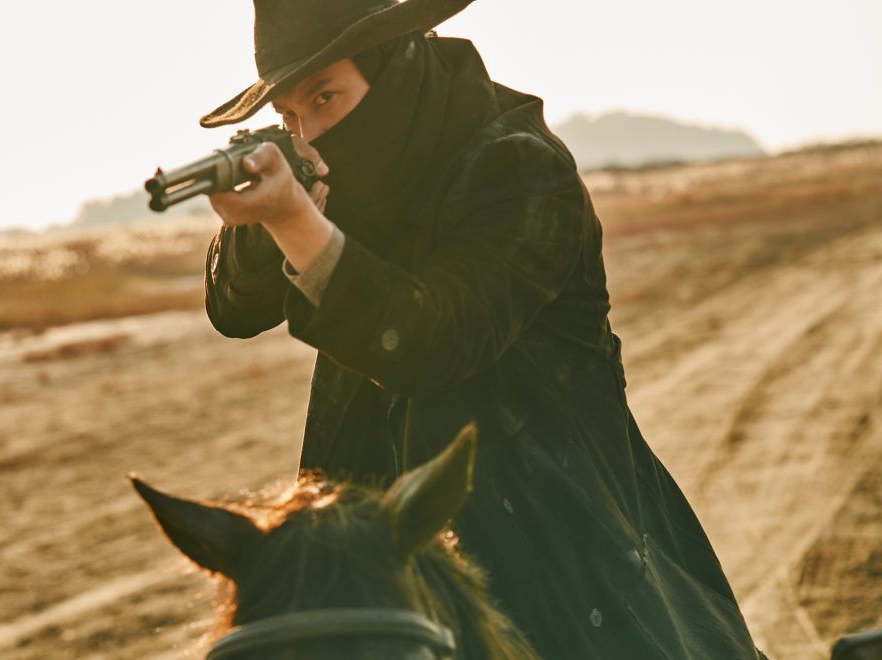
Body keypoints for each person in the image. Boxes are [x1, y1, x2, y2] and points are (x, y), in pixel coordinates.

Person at [201, 0, 764, 657]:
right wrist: (268, 222)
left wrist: (299, 224)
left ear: (399, 66)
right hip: (382, 533)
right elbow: (234, 311)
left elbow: (434, 340)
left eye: (326, 97)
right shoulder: (342, 171)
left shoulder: (518, 165)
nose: (310, 134)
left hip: (557, 529)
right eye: (290, 116)